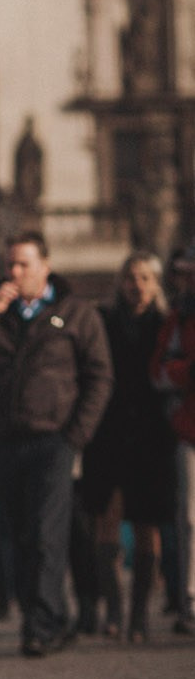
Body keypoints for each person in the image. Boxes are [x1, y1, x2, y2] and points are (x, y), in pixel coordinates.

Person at [0, 232, 112, 656]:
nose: (15, 273)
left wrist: (76, 434)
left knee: (46, 533)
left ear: (45, 265)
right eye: (10, 265)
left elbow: (99, 376)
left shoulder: (75, 313)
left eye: (23, 264)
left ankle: (40, 626)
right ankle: (48, 616)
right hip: (7, 439)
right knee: (19, 535)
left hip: (54, 439)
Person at [80, 251, 174, 641]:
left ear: (155, 284)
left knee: (148, 524)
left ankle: (139, 616)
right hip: (109, 433)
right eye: (131, 277)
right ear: (121, 282)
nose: (137, 285)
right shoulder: (103, 321)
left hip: (153, 435)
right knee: (107, 521)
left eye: (145, 278)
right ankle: (114, 611)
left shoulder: (166, 326)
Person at [152, 245, 195, 636]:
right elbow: (160, 371)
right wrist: (186, 373)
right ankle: (189, 598)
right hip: (188, 429)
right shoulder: (178, 317)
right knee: (189, 520)